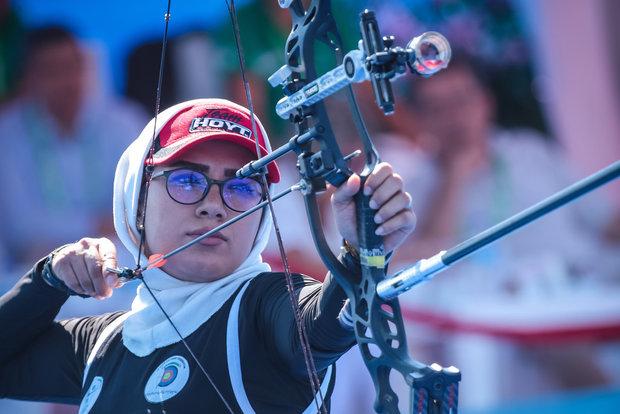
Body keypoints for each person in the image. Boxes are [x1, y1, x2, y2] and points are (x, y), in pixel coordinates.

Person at [0, 98, 415, 413]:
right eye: (186, 179)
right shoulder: (101, 342)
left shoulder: (262, 309)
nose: (213, 205)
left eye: (241, 187)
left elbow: (319, 330)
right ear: (136, 202)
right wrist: (49, 279)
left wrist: (361, 253)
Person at [0, 26, 148, 274]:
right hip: (37, 266)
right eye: (52, 71)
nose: (67, 81)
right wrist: (96, 224)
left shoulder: (125, 120)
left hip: (118, 260)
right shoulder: (8, 133)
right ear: (29, 78)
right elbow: (18, 225)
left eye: (73, 67)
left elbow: (144, 204)